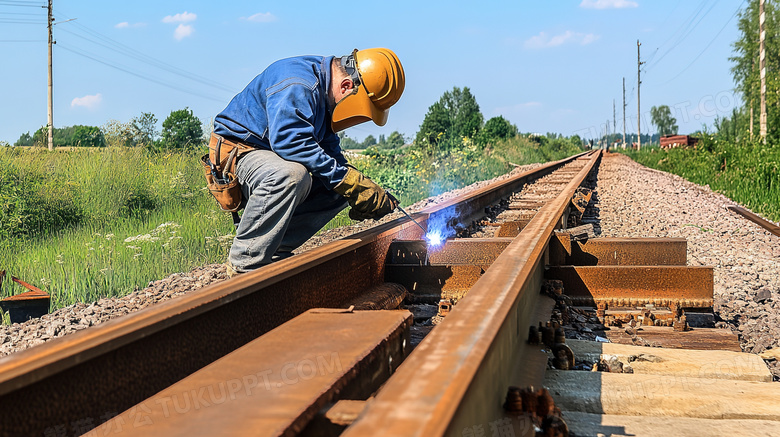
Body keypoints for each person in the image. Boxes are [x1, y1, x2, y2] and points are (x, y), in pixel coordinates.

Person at [211, 48, 405, 276]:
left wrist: (359, 186)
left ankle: (271, 249)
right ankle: (245, 261)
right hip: (240, 152)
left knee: (341, 184)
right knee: (292, 175)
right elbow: (289, 142)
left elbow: (331, 155)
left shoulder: (323, 93)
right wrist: (346, 179)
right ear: (346, 86)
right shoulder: (299, 85)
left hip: (268, 153)